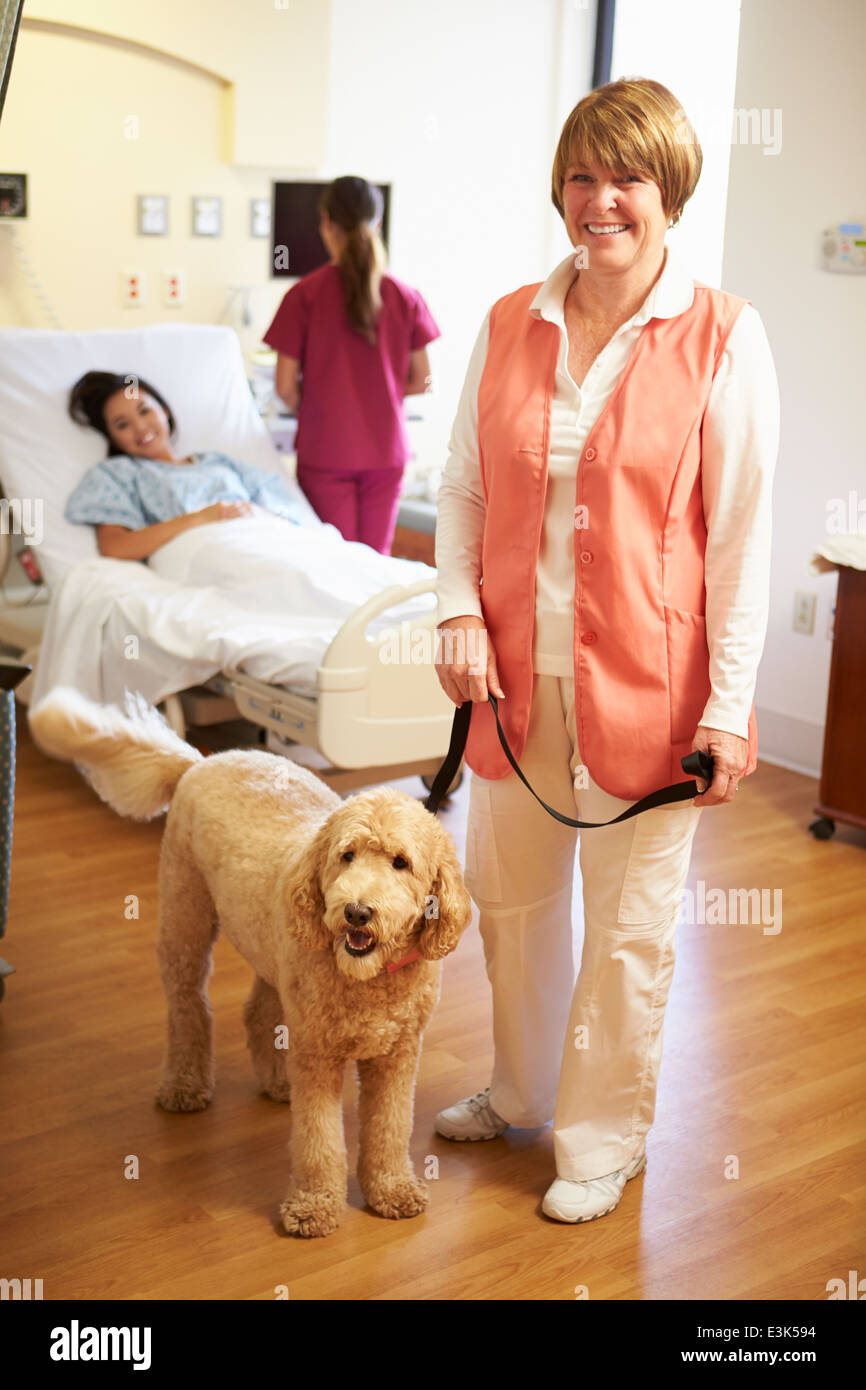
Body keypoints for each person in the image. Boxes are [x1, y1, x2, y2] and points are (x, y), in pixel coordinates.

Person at [432, 78, 779, 1224]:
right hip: (512, 681)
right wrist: (455, 612)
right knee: (514, 903)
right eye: (580, 176)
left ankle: (600, 1137)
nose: (599, 200)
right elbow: (464, 489)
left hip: (650, 690)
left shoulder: (724, 334)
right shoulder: (505, 323)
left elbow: (735, 538)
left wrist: (728, 706)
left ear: (668, 192)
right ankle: (518, 1089)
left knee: (625, 932)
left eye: (624, 177)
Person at [264, 175, 440, 555]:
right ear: (377, 223)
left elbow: (283, 387)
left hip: (326, 451)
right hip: (386, 452)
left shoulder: (303, 296)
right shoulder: (405, 297)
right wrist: (385, 396)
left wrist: (317, 408)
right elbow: (423, 380)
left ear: (326, 222)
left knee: (335, 564)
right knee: (376, 566)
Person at [64, 371, 307, 560]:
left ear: (165, 411)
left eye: (145, 410)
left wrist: (256, 515)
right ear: (112, 437)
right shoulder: (118, 474)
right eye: (122, 424)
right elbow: (115, 547)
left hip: (266, 538)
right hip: (208, 551)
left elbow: (291, 517)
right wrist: (201, 518)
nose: (140, 427)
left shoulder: (219, 462)